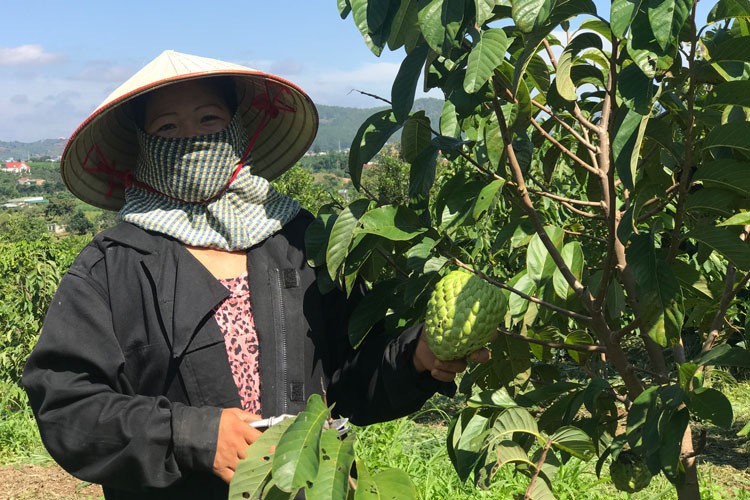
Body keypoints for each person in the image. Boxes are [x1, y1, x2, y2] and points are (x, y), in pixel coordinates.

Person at [21, 50, 489, 500]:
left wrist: (415, 358)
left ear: (237, 128)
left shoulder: (297, 240)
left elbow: (347, 379)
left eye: (209, 119)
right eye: (167, 127)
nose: (192, 140)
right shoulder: (113, 265)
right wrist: (192, 435)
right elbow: (66, 406)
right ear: (145, 146)